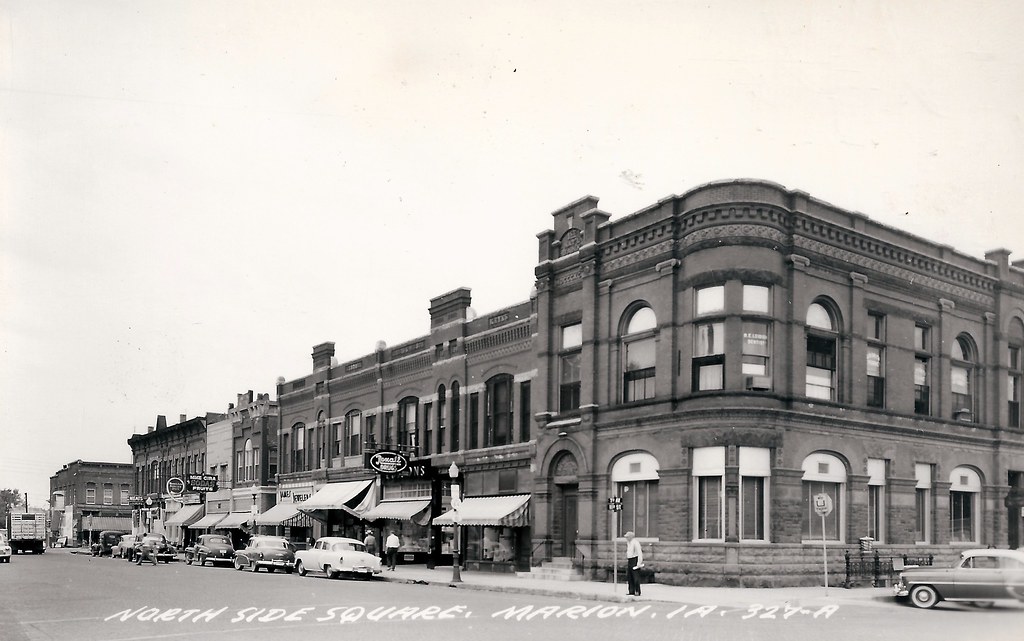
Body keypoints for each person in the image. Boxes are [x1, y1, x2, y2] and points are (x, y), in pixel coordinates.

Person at [624, 531, 643, 596]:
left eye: (627, 537)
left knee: (636, 577)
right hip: (630, 560)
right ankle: (631, 590)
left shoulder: (635, 543)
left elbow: (639, 553)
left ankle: (637, 591)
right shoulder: (628, 543)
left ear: (631, 537)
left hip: (635, 559)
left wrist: (639, 562)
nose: (626, 538)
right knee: (630, 576)